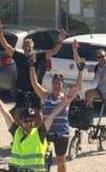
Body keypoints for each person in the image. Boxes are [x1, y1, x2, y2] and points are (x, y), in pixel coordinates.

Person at [0, 77, 76, 172]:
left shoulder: (39, 133)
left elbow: (52, 115)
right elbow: (5, 113)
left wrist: (65, 101)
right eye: (26, 121)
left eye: (31, 120)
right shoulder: (16, 132)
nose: (29, 123)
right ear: (21, 122)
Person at [28, 39, 83, 172]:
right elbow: (34, 83)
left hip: (61, 133)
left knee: (60, 161)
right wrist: (31, 66)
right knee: (41, 157)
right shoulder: (46, 95)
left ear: (62, 85)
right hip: (47, 131)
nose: (57, 85)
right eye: (55, 83)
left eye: (59, 83)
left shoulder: (66, 98)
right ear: (52, 84)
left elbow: (78, 86)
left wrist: (80, 70)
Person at [0, 18, 65, 112]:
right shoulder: (18, 56)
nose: (27, 48)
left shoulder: (39, 56)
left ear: (33, 47)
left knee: (36, 114)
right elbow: (6, 46)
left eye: (29, 46)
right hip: (21, 89)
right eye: (25, 46)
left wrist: (60, 41)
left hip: (35, 91)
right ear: (22, 47)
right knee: (19, 113)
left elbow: (54, 51)